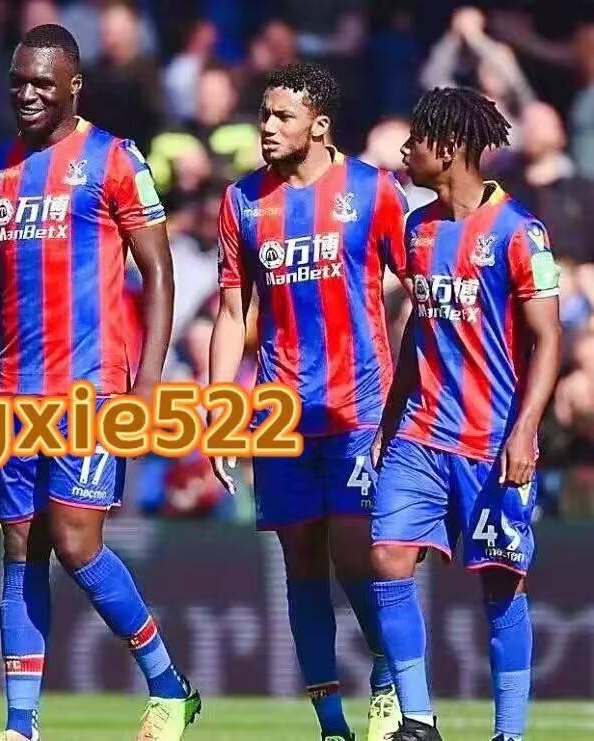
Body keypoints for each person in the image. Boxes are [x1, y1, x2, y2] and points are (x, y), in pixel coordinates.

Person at [0, 23, 197, 741]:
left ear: (73, 86)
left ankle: (168, 685)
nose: (27, 94)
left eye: (42, 82)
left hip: (90, 387)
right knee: (20, 545)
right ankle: (20, 724)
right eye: (17, 82)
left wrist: (148, 382)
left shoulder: (114, 159)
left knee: (76, 540)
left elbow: (158, 272)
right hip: (14, 391)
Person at [209, 62, 406, 741]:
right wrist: (221, 411)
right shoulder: (242, 201)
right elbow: (231, 312)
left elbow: (417, 286)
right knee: (300, 563)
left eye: (281, 117)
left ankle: (388, 682)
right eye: (263, 114)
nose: (266, 126)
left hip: (359, 407)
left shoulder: (373, 190)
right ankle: (329, 724)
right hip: (279, 414)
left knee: (356, 555)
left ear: (318, 126)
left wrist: (413, 389)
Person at [371, 87, 562, 741]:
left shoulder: (519, 231)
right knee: (387, 556)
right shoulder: (415, 229)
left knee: (501, 586)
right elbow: (417, 329)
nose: (404, 151)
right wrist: (390, 416)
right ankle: (418, 719)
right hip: (420, 433)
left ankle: (508, 733)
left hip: (491, 440)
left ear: (449, 147)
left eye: (415, 140)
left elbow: (548, 339)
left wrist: (526, 429)